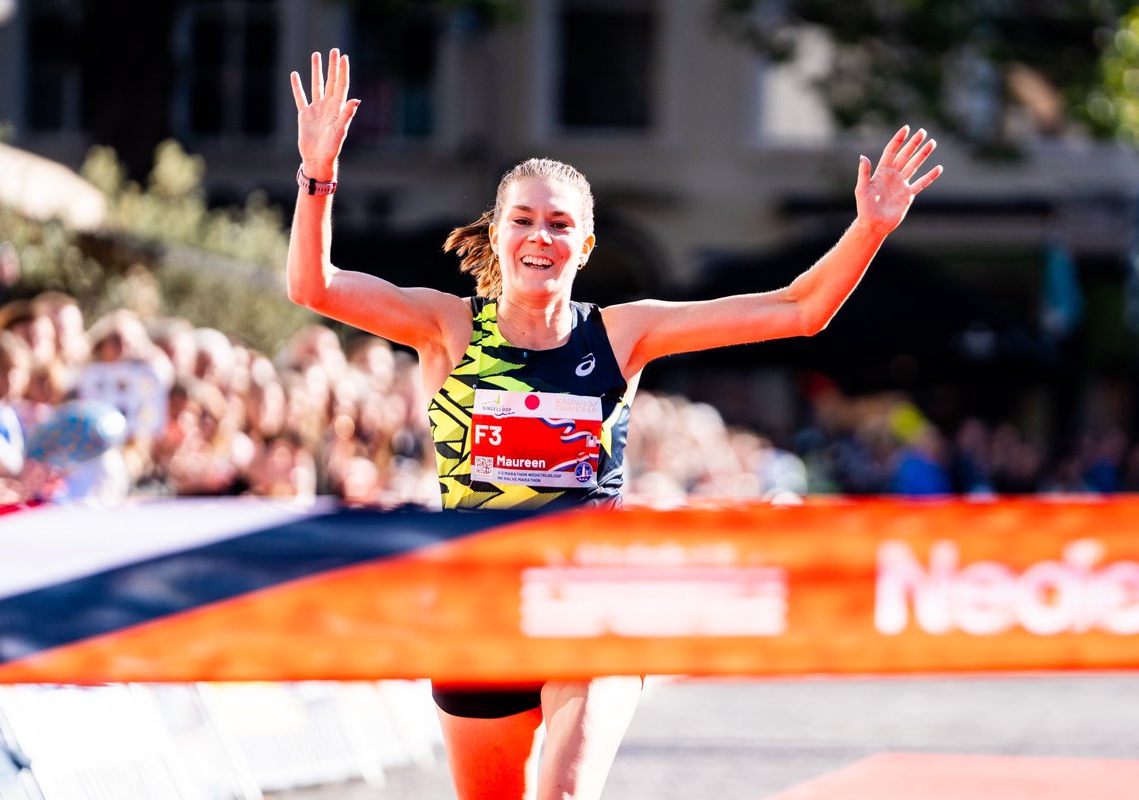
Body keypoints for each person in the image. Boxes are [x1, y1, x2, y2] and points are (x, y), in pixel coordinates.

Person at [286, 48, 942, 800]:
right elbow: (316, 285)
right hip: (478, 604)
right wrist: (318, 174)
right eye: (523, 221)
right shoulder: (449, 328)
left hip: (588, 596)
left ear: (585, 245)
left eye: (560, 224)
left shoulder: (623, 335)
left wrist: (870, 228)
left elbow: (800, 309)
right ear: (497, 236)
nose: (541, 236)